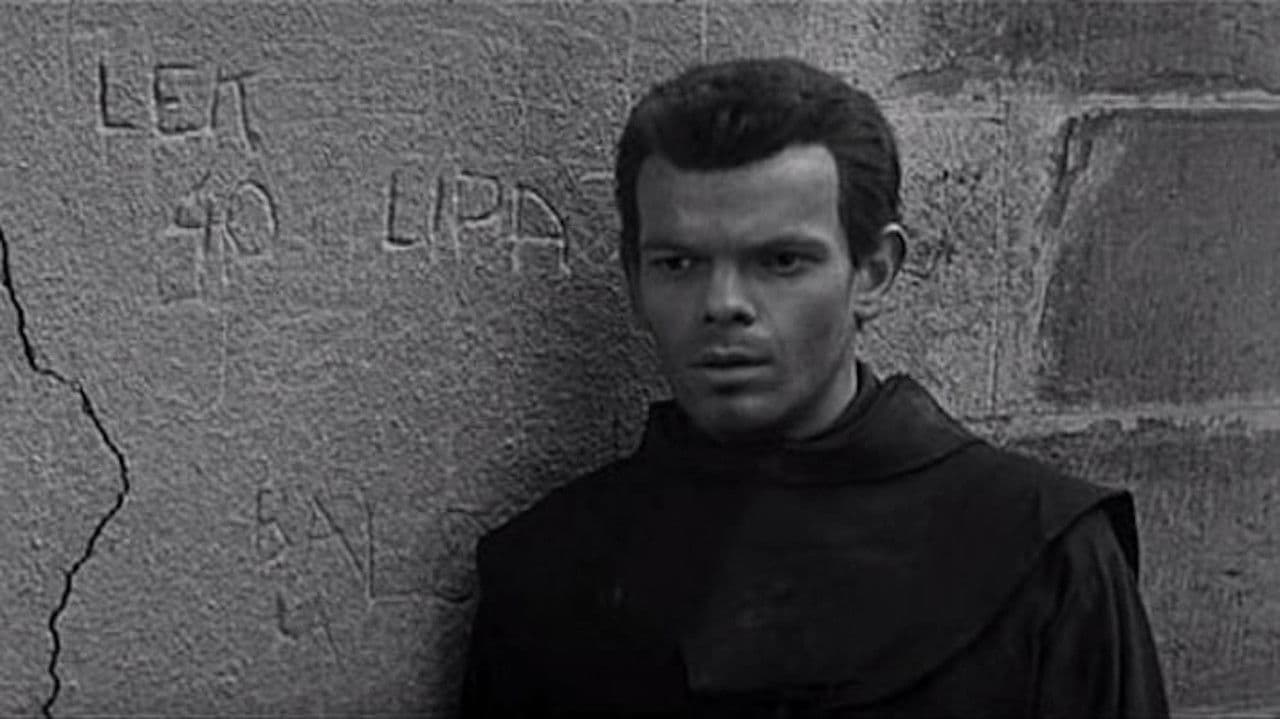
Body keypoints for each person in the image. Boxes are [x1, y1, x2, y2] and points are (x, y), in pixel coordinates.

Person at [460, 57, 1170, 718]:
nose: (723, 304)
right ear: (632, 279)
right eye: (678, 263)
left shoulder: (1041, 554)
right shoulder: (547, 570)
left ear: (874, 272)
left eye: (781, 261)